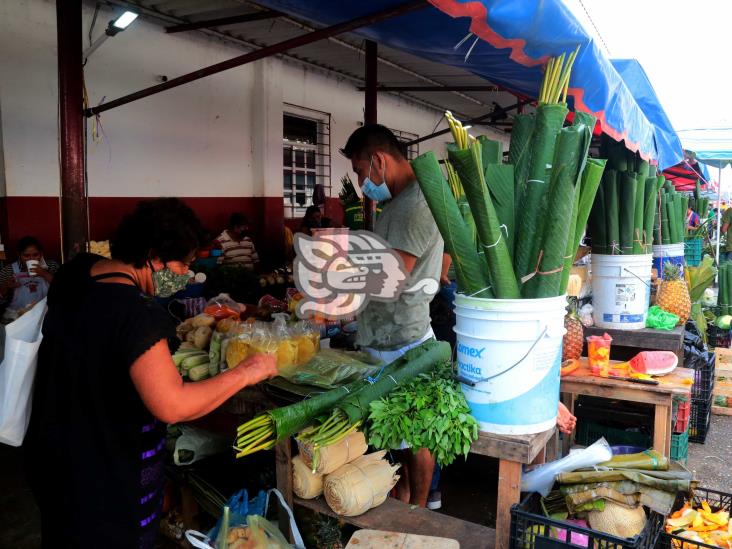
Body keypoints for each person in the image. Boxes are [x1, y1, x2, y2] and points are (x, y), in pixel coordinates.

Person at [24, 198, 278, 548]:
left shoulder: (75, 274)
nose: (185, 275)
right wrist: (247, 372)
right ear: (153, 255)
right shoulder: (136, 315)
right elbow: (172, 405)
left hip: (53, 459)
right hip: (103, 480)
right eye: (182, 264)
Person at [342, 124, 443, 508]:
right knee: (396, 433)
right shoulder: (402, 201)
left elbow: (394, 273)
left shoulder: (415, 203)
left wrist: (337, 292)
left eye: (359, 170)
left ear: (379, 161)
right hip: (388, 338)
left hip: (404, 341)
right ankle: (404, 500)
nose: (361, 181)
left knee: (415, 435)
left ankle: (418, 511)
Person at [0, 236, 59, 321]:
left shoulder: (51, 266)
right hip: (16, 318)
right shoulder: (8, 270)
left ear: (41, 253)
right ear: (19, 255)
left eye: (35, 255)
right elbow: (1, 297)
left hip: (45, 316)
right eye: (26, 256)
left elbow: (63, 288)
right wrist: (6, 286)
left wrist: (44, 274)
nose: (32, 259)